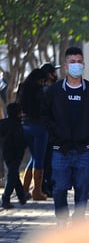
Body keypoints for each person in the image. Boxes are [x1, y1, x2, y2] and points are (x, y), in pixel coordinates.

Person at [42, 46, 89, 225]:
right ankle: (61, 219)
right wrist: (55, 133)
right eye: (72, 62)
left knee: (82, 189)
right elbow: (45, 115)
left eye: (79, 62)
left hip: (84, 149)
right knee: (59, 188)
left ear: (83, 64)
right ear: (66, 66)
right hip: (60, 149)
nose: (76, 65)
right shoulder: (54, 91)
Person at [17, 68, 49, 201]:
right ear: (40, 79)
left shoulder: (22, 88)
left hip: (25, 125)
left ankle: (24, 190)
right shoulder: (39, 91)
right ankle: (37, 191)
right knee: (39, 158)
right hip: (39, 126)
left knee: (34, 157)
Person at [0, 103, 27, 209]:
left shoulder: (4, 123)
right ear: (19, 114)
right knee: (12, 175)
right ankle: (6, 198)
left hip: (6, 152)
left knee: (13, 173)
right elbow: (22, 141)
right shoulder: (19, 125)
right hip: (16, 154)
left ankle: (21, 196)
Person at [39, 62, 60, 197]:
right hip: (48, 129)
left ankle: (45, 186)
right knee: (47, 160)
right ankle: (45, 186)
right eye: (53, 72)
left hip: (50, 128)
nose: (55, 74)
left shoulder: (48, 89)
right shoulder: (47, 90)